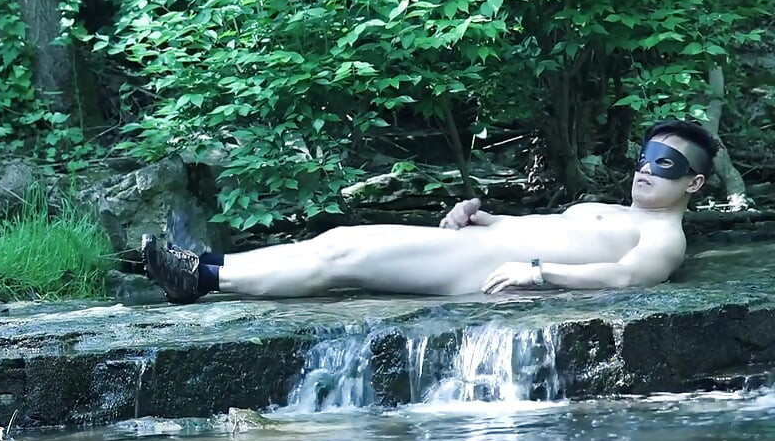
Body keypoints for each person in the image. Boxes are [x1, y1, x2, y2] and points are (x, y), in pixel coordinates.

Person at [142, 119, 718, 303]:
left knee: (345, 256)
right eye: (645, 159)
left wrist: (538, 272)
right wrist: (483, 215)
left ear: (693, 183)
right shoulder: (605, 209)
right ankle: (206, 263)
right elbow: (537, 226)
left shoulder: (666, 237)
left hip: (480, 274)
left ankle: (204, 279)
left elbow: (625, 276)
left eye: (665, 166)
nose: (646, 170)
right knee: (341, 237)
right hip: (477, 248)